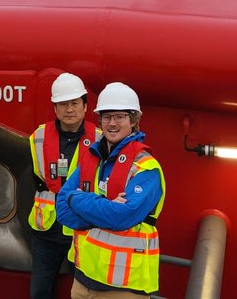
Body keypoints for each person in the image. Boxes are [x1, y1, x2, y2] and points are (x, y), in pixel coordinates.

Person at [56, 83, 165, 298]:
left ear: (134, 121)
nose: (112, 123)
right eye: (107, 117)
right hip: (82, 280)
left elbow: (121, 217)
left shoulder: (147, 168)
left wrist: (76, 199)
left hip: (123, 288)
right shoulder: (90, 159)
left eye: (120, 117)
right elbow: (61, 207)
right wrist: (99, 206)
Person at [28, 72, 101, 299]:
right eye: (63, 104)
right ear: (55, 109)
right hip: (46, 231)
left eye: (74, 103)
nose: (69, 109)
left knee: (84, 293)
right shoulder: (38, 136)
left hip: (83, 229)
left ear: (85, 106)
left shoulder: (100, 140)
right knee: (40, 291)